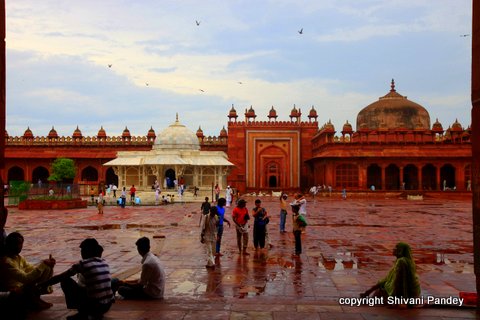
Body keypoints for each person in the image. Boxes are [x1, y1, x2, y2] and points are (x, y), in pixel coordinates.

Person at [39, 238, 114, 320]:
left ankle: (82, 313)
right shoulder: (104, 262)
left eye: (82, 250)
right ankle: (92, 312)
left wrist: (43, 284)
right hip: (107, 306)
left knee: (65, 281)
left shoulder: (83, 264)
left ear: (86, 251)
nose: (81, 253)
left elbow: (61, 277)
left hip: (94, 306)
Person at [0, 232, 56, 311]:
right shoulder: (6, 262)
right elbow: (25, 278)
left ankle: (36, 300)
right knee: (30, 282)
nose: (19, 246)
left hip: (20, 288)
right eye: (17, 244)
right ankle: (34, 302)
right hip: (12, 293)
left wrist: (48, 266)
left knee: (44, 269)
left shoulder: (19, 257)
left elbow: (33, 269)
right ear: (10, 244)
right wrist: (43, 264)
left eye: (20, 244)